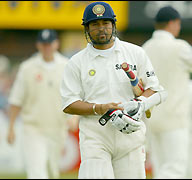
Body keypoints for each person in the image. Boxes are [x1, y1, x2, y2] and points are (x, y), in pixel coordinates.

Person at [60, 2, 167, 179]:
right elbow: (69, 104)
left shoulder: (135, 53)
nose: (101, 29)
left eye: (106, 24)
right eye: (95, 24)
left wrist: (140, 104)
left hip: (130, 136)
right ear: (87, 28)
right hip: (96, 135)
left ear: (113, 25)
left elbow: (154, 90)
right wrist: (99, 108)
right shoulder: (77, 62)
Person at [142, 6, 192, 178]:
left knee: (161, 169)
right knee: (175, 169)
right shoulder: (179, 47)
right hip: (175, 119)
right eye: (178, 24)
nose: (179, 28)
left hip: (152, 120)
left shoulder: (145, 48)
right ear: (172, 23)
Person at [7, 29, 78, 179]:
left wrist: (74, 117)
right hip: (33, 128)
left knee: (52, 170)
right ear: (38, 45)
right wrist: (11, 127)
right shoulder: (27, 68)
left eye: (50, 44)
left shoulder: (67, 66)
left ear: (56, 44)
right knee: (37, 172)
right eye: (44, 44)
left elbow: (75, 95)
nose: (47, 47)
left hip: (58, 128)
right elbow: (16, 100)